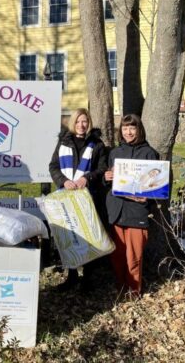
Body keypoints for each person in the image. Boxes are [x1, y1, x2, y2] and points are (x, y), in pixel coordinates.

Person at [49, 108, 108, 292]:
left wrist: (87, 178)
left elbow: (102, 169)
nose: (81, 125)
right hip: (67, 199)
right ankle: (72, 276)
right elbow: (53, 166)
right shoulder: (63, 142)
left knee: (89, 236)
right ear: (73, 123)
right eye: (78, 122)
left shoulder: (97, 144)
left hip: (88, 198)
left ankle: (87, 278)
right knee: (70, 236)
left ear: (89, 122)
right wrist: (63, 181)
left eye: (85, 121)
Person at [104, 114, 159, 297]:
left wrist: (148, 199)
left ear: (139, 129)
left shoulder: (149, 153)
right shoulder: (115, 153)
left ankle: (134, 292)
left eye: (132, 128)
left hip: (137, 212)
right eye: (125, 128)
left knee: (133, 257)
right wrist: (107, 178)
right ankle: (121, 289)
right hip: (117, 210)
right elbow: (109, 183)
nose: (128, 132)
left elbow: (157, 185)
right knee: (117, 256)